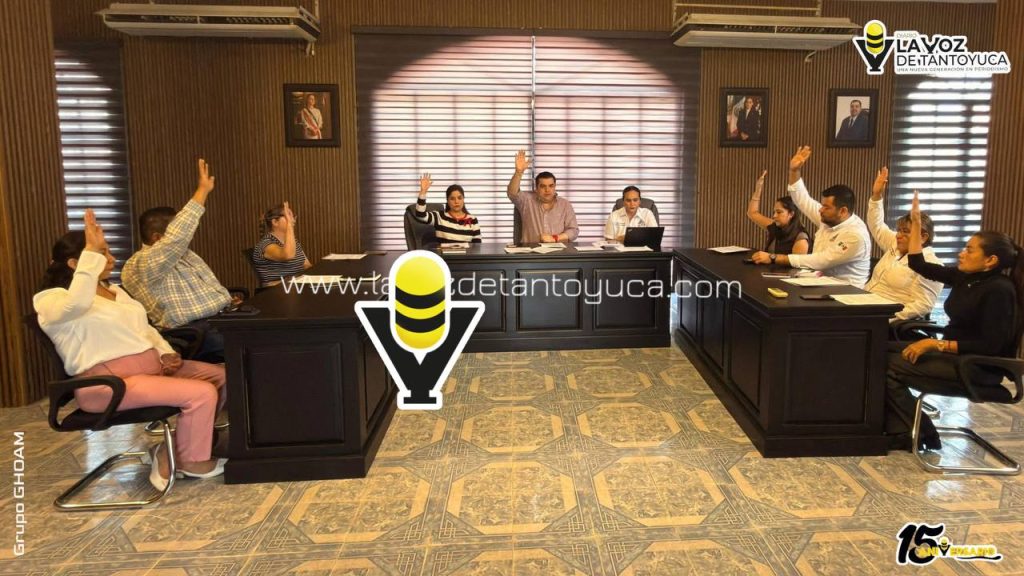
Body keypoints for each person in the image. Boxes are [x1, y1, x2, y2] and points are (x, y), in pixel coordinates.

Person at [34, 209, 227, 491]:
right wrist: (91, 252)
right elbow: (77, 303)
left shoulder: (113, 291)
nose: (112, 259)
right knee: (202, 392)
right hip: (108, 385)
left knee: (223, 377)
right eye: (103, 254)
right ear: (76, 263)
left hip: (151, 371)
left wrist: (164, 352)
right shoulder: (52, 300)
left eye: (107, 252)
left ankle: (173, 451)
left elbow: (144, 328)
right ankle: (190, 461)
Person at [885, 191, 1023, 452]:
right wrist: (916, 224)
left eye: (969, 250)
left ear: (990, 260)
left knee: (885, 366)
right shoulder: (966, 277)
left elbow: (990, 345)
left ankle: (919, 433)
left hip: (977, 367)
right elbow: (918, 263)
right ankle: (905, 428)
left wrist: (935, 345)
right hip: (954, 357)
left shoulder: (999, 290)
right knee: (874, 351)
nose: (961, 254)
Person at [121, 159, 232, 363]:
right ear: (157, 237)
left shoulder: (183, 254)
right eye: (172, 229)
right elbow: (178, 235)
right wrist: (202, 191)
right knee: (264, 349)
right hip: (194, 331)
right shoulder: (142, 262)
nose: (183, 234)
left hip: (221, 319)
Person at [751, 146, 871, 288]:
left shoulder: (855, 235)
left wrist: (773, 257)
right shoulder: (830, 219)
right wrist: (794, 171)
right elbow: (802, 200)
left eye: (826, 207)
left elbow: (820, 261)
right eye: (822, 205)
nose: (820, 209)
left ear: (843, 211)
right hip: (821, 283)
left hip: (846, 292)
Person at [865, 167, 943, 322]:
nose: (898, 235)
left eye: (905, 231)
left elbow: (922, 306)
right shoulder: (896, 243)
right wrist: (876, 195)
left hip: (887, 319)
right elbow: (877, 226)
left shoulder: (931, 264)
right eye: (898, 230)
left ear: (923, 237)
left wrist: (885, 320)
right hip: (864, 305)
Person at [506, 150, 578, 244]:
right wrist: (518, 173)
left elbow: (573, 231)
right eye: (543, 186)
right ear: (536, 189)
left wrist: (555, 238)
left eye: (551, 186)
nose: (547, 190)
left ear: (555, 186)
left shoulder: (565, 204)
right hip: (531, 251)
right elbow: (512, 193)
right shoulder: (526, 201)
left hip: (558, 251)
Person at [745, 170, 810, 255]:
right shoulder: (775, 226)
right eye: (774, 212)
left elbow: (796, 262)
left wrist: (770, 258)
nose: (774, 216)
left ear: (791, 214)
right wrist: (758, 190)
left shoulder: (801, 238)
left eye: (779, 212)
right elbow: (752, 213)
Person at [252, 201, 312, 287]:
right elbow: (287, 255)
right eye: (288, 216)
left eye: (293, 216)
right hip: (277, 290)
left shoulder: (293, 241)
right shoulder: (266, 244)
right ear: (275, 222)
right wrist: (289, 225)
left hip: (296, 286)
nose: (293, 219)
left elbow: (306, 264)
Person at [414, 173, 482, 244]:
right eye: (452, 198)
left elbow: (477, 247)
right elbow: (420, 214)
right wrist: (423, 191)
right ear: (448, 201)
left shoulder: (473, 220)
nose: (456, 201)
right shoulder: (439, 217)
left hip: (467, 252)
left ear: (463, 199)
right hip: (443, 251)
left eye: (459, 198)